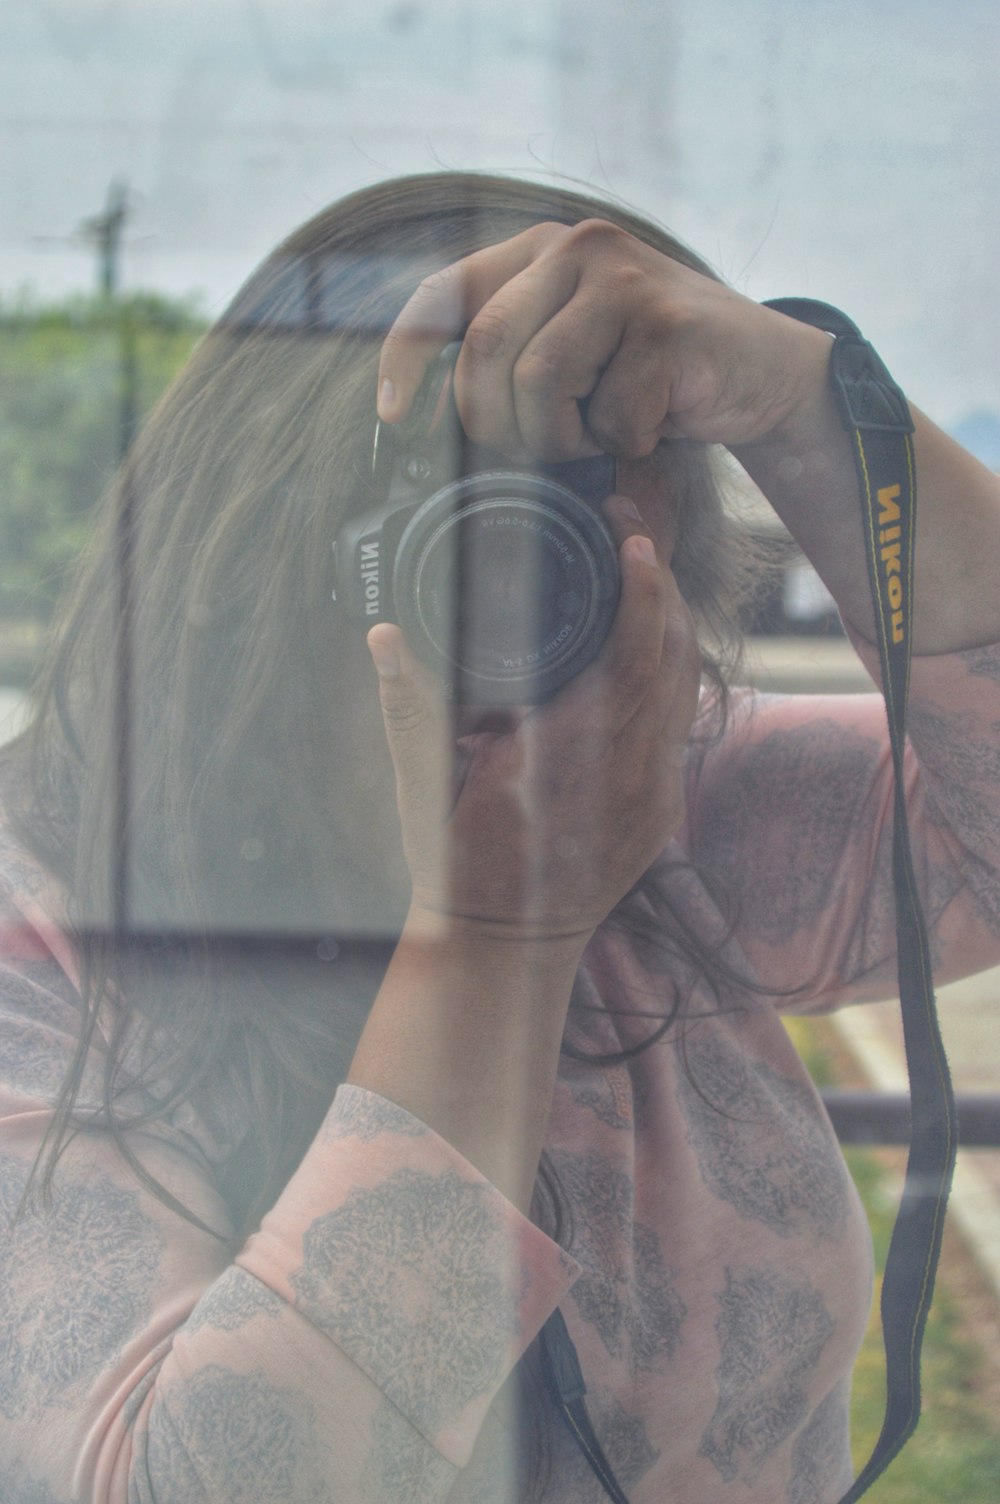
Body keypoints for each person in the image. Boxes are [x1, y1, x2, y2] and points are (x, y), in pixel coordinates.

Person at [1, 171, 999, 1504]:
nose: (512, 592)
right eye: (443, 525)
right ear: (258, 558)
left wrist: (809, 409)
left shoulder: (662, 801)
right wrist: (499, 941)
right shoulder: (44, 947)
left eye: (576, 526)